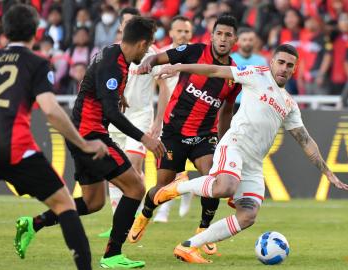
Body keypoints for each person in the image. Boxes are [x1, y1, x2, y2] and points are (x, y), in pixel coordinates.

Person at [154, 44, 348, 263]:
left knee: (248, 215)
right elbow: (214, 71)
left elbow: (305, 140)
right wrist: (180, 67)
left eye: (289, 65)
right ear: (272, 62)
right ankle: (178, 187)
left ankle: (189, 247)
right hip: (235, 146)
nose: (284, 68)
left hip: (254, 164)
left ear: (294, 70)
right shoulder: (256, 74)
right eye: (281, 62)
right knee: (225, 186)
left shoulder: (289, 104)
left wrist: (327, 171)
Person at [16, 16, 166, 269]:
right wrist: (145, 138)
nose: (149, 49)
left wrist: (115, 97)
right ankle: (112, 255)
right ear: (142, 43)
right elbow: (110, 112)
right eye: (149, 44)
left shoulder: (109, 52)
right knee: (136, 188)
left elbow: (96, 89)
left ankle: (34, 223)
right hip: (91, 136)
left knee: (93, 202)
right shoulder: (114, 64)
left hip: (82, 133)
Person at [0, 4, 108, 269]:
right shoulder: (36, 63)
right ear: (36, 32)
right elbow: (50, 110)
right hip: (17, 149)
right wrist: (82, 143)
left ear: (4, 30)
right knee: (64, 204)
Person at [128, 15, 242, 257]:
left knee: (214, 180)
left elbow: (227, 111)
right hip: (174, 133)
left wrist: (222, 143)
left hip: (204, 135)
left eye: (228, 35)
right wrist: (148, 61)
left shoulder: (233, 75)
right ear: (212, 36)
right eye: (219, 33)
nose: (222, 39)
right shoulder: (192, 52)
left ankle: (204, 232)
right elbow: (159, 57)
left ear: (235, 40)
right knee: (163, 187)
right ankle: (145, 214)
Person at [98, 7, 170, 238]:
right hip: (115, 118)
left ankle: (133, 219)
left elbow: (164, 88)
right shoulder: (111, 53)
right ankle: (119, 221)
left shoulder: (152, 53)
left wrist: (158, 120)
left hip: (140, 118)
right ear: (121, 27)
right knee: (115, 170)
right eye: (126, 23)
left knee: (132, 165)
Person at [153, 15, 195, 224]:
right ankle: (177, 197)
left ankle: (181, 191)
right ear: (170, 33)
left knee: (173, 166)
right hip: (169, 120)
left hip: (193, 119)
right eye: (179, 31)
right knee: (164, 167)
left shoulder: (197, 55)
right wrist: (157, 121)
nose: (183, 35)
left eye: (186, 31)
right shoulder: (163, 57)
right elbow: (162, 92)